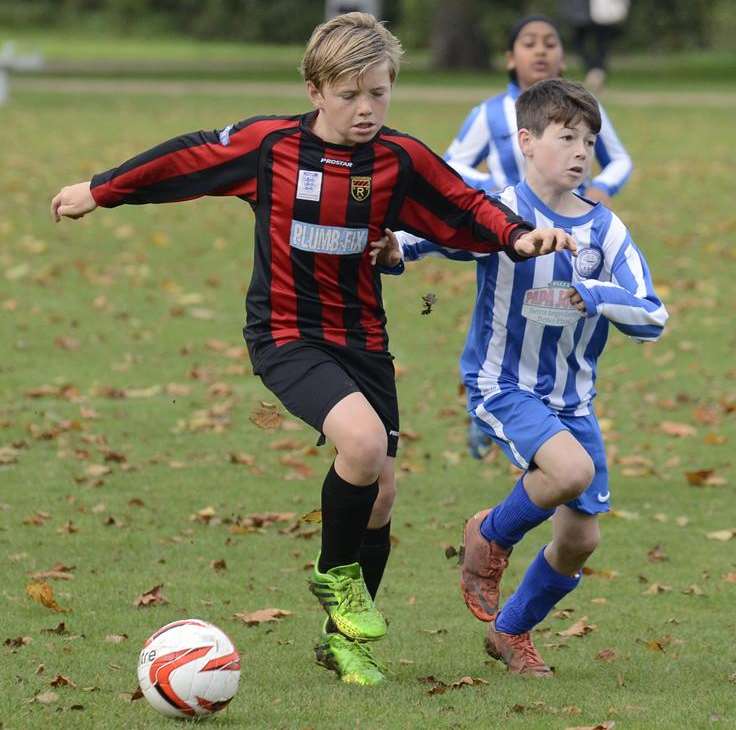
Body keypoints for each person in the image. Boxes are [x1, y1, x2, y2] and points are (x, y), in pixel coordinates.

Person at [49, 12, 576, 687]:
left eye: (378, 93)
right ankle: (335, 578)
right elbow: (184, 159)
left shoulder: (397, 159)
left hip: (362, 340)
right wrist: (100, 189)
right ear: (314, 90)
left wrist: (515, 235)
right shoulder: (269, 147)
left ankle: (342, 642)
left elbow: (462, 203)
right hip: (285, 333)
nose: (365, 109)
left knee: (381, 491)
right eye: (350, 93)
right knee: (359, 446)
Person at [373, 78, 666, 674]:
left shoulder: (606, 232)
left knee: (581, 542)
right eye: (566, 138)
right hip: (503, 384)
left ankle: (511, 632)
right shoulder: (498, 213)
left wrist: (593, 292)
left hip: (573, 401)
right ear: (527, 142)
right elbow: (432, 235)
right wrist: (393, 250)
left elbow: (652, 316)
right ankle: (491, 536)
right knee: (569, 471)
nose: (581, 151)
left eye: (589, 140)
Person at [443, 13, 633, 458]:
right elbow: (450, 165)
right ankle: (492, 409)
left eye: (551, 42)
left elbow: (620, 160)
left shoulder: (584, 112)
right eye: (529, 42)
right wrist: (491, 193)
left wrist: (602, 188)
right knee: (504, 318)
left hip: (569, 234)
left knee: (562, 317)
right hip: (506, 235)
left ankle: (555, 410)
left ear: (564, 55)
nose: (542, 50)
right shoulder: (490, 115)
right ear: (510, 58)